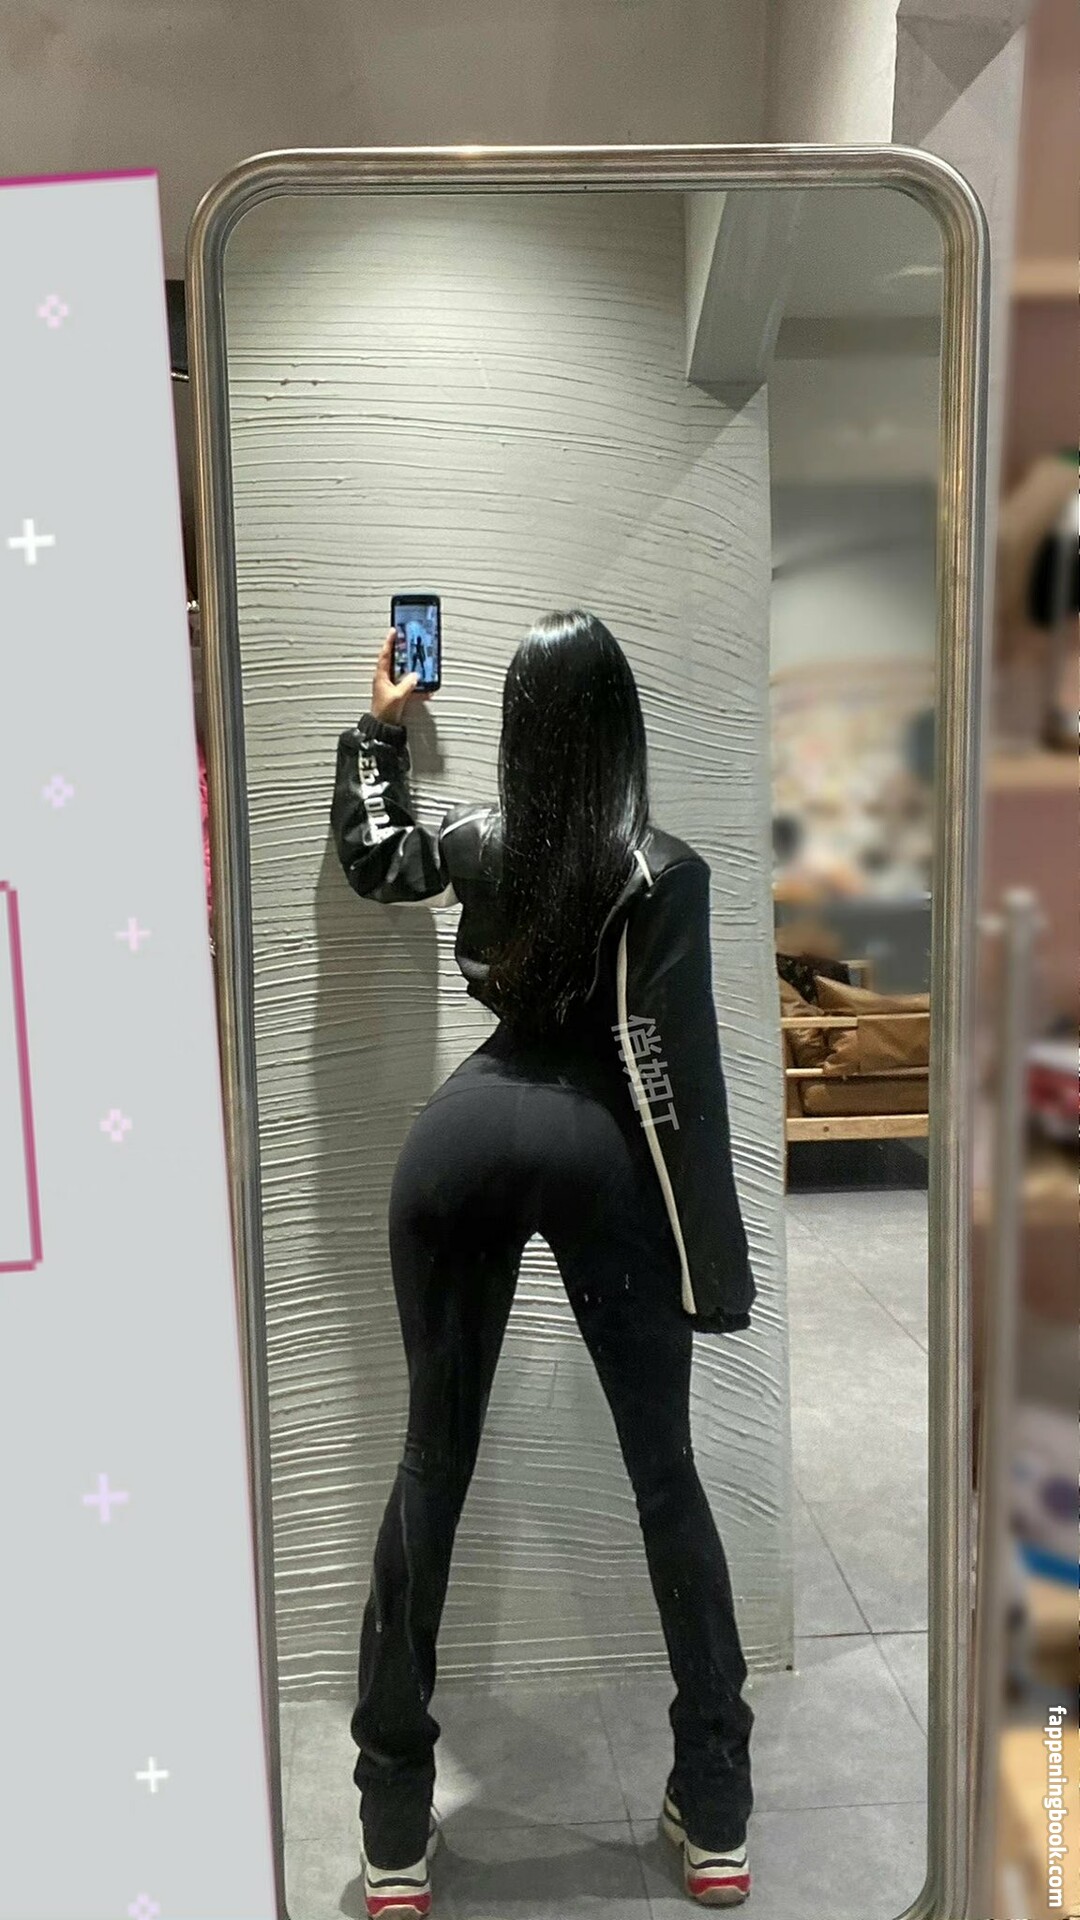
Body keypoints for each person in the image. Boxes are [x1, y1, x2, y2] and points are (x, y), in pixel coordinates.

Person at [331, 610, 756, 1917]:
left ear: (517, 727)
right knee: (666, 1479)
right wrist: (716, 1274)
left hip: (458, 1140)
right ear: (623, 723)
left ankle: (393, 1826)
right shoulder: (662, 871)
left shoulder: (482, 840)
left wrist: (379, 731)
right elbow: (676, 1080)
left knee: (429, 1464)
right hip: (600, 1151)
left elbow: (379, 860)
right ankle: (715, 1811)